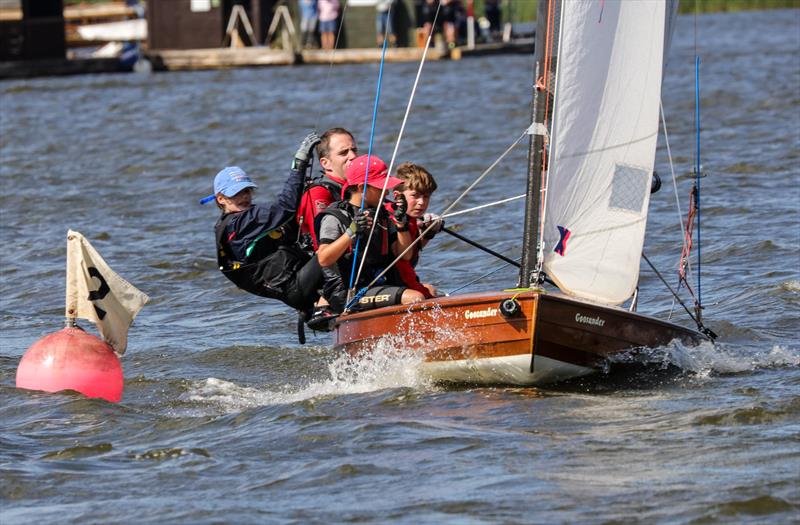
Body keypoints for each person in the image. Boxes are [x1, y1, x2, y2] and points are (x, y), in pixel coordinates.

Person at [208, 133, 323, 315]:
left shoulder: (240, 223)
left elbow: (287, 220)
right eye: (236, 193)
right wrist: (299, 165)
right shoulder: (241, 222)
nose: (244, 197)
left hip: (298, 286)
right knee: (332, 250)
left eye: (247, 191)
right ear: (221, 199)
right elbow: (286, 206)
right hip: (296, 288)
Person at [315, 155, 425, 314]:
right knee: (415, 298)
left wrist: (401, 224)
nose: (386, 191)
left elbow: (405, 256)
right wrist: (351, 231)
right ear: (361, 188)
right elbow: (324, 258)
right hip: (349, 294)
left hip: (380, 285)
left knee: (430, 291)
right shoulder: (335, 217)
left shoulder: (383, 214)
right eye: (380, 187)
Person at [385, 162, 443, 299]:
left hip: (402, 280)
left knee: (431, 289)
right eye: (415, 195)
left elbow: (411, 252)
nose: (421, 202)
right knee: (420, 296)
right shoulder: (389, 218)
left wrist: (428, 233)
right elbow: (404, 257)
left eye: (426, 196)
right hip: (387, 283)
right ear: (397, 196)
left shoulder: (410, 217)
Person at [297, 127, 358, 251]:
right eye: (343, 153)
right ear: (325, 163)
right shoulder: (318, 193)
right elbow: (322, 247)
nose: (352, 156)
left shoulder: (355, 188)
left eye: (354, 150)